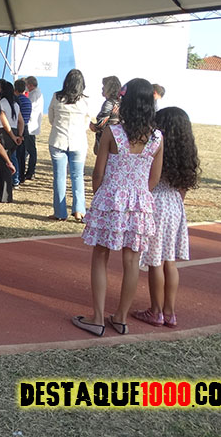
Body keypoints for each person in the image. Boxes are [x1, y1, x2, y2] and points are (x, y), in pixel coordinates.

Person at [72, 78, 163, 337]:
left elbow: (98, 172)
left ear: (126, 101)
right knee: (132, 260)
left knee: (100, 255)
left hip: (111, 199)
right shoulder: (157, 138)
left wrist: (101, 195)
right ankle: (121, 318)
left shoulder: (113, 132)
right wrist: (139, 193)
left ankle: (97, 317)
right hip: (140, 203)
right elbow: (154, 179)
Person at [133, 106, 200, 329]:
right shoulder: (186, 152)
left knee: (155, 261)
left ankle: (155, 311)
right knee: (169, 261)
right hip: (175, 204)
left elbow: (150, 178)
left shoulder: (157, 146)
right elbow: (183, 187)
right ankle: (169, 312)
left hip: (157, 203)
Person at [46, 69, 89, 222]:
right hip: (78, 142)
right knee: (78, 176)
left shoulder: (57, 97)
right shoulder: (84, 100)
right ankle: (79, 210)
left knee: (59, 177)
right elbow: (86, 122)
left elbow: (51, 118)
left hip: (58, 140)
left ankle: (60, 212)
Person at [0, 79, 24, 203]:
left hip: (4, 134)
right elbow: (21, 121)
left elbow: (4, 121)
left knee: (5, 165)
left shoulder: (1, 103)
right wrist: (19, 135)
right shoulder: (15, 105)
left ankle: (5, 195)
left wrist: (12, 135)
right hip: (14, 133)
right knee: (1, 165)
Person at [90, 76, 122, 155]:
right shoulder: (120, 103)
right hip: (118, 141)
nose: (102, 88)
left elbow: (100, 125)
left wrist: (87, 122)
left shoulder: (109, 103)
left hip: (106, 143)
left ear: (109, 88)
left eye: (104, 86)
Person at [23, 76, 43, 181]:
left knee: (31, 150)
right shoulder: (35, 93)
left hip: (31, 125)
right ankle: (30, 171)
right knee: (29, 149)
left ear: (30, 85)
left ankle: (31, 171)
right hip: (31, 125)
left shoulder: (34, 95)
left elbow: (29, 108)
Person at [13, 79, 32, 184]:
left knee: (16, 154)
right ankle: (22, 175)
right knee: (22, 154)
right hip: (26, 128)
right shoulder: (28, 100)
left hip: (18, 128)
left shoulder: (16, 100)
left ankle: (17, 175)